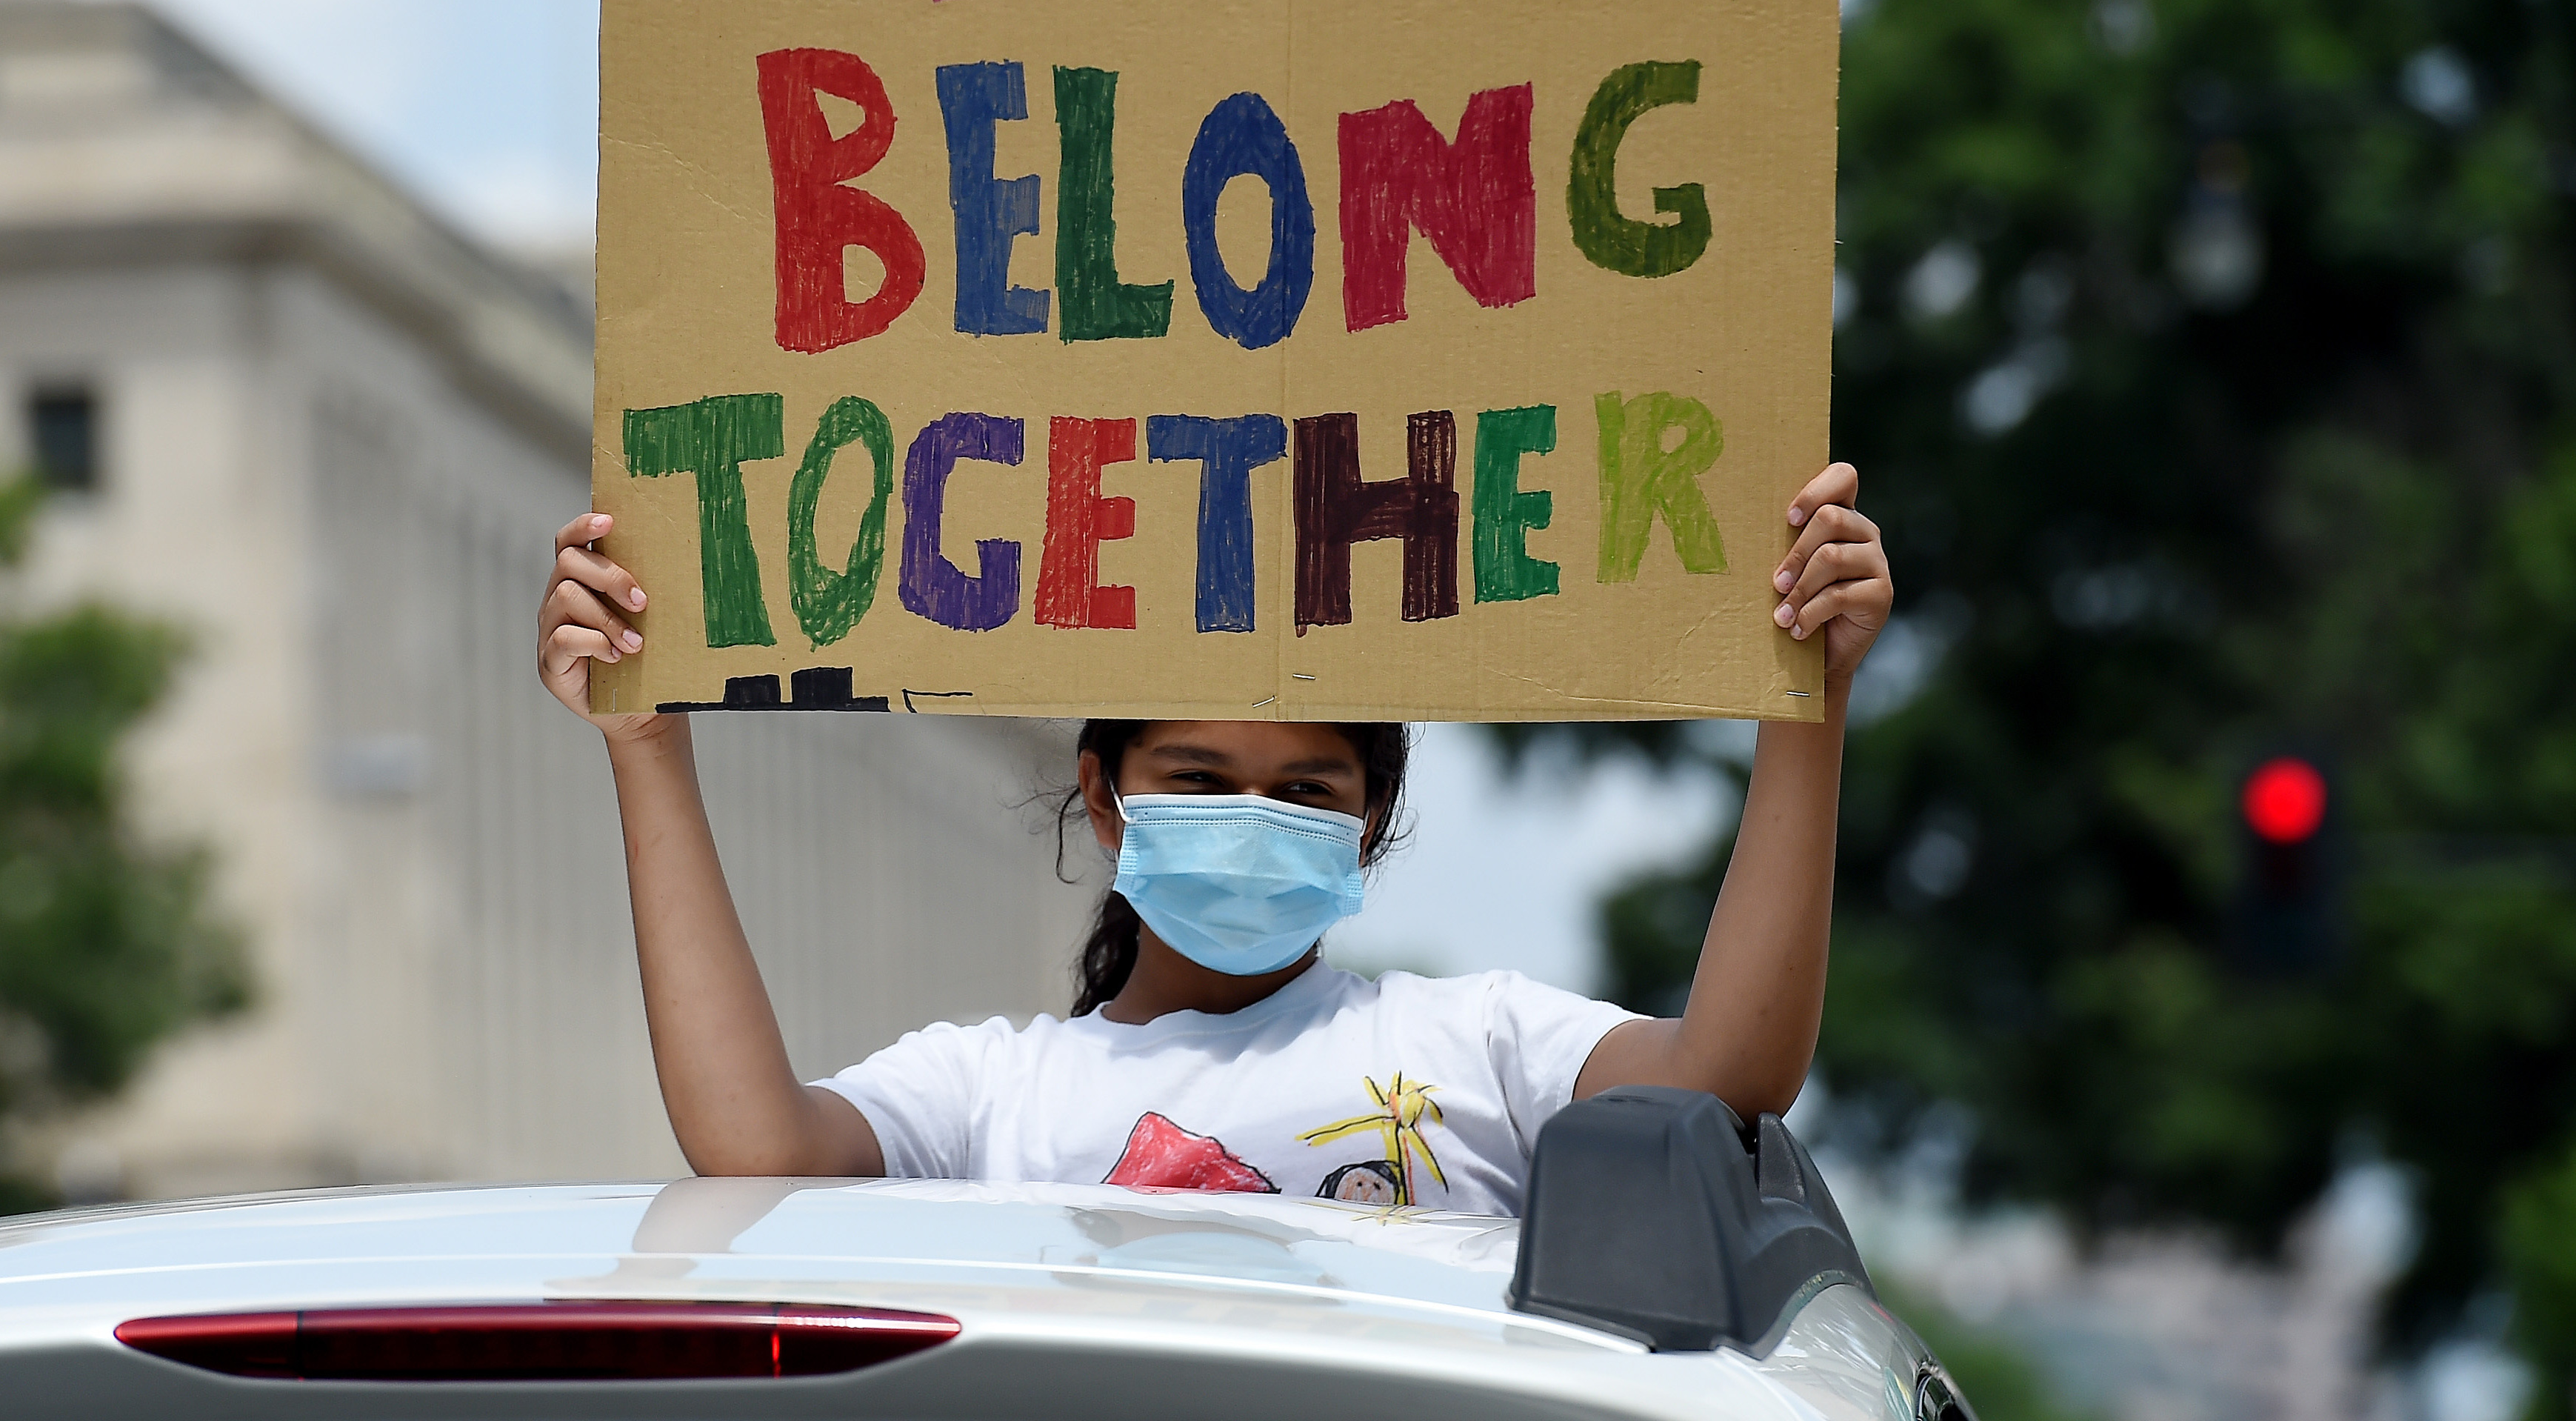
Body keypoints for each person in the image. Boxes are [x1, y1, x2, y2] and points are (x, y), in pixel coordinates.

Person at [537, 463, 1891, 1214]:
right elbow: (756, 1151)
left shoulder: (1471, 1043)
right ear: (1106, 792)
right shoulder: (991, 1092)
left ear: (1370, 828)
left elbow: (1724, 1078)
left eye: (1306, 791)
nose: (1251, 817)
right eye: (1197, 773)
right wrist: (646, 748)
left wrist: (1806, 708)